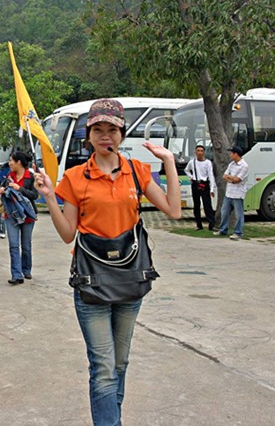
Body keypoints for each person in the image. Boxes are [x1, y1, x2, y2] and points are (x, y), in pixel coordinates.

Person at [36, 99, 181, 425]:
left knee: (120, 363)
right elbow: (67, 234)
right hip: (92, 284)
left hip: (130, 279)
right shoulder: (75, 177)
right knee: (102, 367)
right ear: (88, 135)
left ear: (121, 133)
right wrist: (49, 197)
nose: (105, 136)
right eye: (98, 130)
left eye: (112, 129)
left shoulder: (136, 172)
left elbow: (173, 210)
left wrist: (169, 162)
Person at [0, 151, 38, 284]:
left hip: (27, 215)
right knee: (13, 245)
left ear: (18, 162)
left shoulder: (31, 177)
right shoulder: (9, 176)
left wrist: (19, 188)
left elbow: (35, 195)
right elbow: (2, 188)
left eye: (11, 161)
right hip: (11, 214)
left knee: (26, 246)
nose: (9, 163)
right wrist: (2, 190)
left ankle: (26, 269)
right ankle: (16, 274)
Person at [215, 146, 250, 240]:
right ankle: (223, 229)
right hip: (229, 193)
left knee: (239, 214)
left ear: (236, 154)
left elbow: (238, 180)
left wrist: (231, 178)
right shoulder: (231, 164)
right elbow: (224, 176)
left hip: (238, 194)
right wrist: (232, 178)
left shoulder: (244, 166)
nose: (230, 155)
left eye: (232, 153)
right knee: (224, 212)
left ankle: (238, 232)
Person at [184, 145, 216, 231]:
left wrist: (212, 188)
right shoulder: (192, 162)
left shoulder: (208, 163)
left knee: (207, 205)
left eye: (201, 151)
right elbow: (186, 170)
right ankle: (198, 224)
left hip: (204, 184)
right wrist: (191, 177)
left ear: (204, 152)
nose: (200, 153)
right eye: (198, 150)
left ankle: (211, 224)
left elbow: (211, 175)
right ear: (195, 152)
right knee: (196, 205)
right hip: (195, 184)